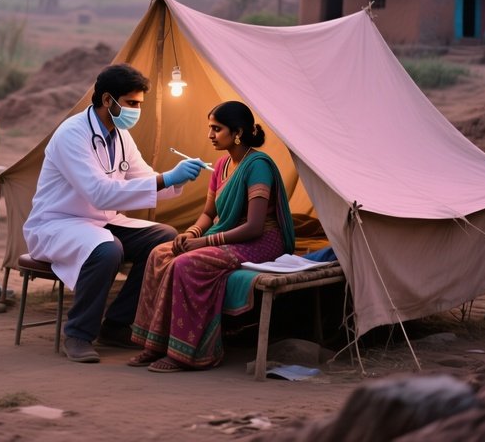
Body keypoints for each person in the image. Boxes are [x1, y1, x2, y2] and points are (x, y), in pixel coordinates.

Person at [22, 63, 206, 364]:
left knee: (164, 238)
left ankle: (117, 324)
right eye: (132, 103)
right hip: (58, 223)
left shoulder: (120, 136)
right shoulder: (72, 134)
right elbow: (99, 192)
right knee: (108, 249)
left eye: (140, 104)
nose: (137, 111)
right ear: (108, 100)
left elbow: (143, 177)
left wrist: (178, 179)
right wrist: (166, 178)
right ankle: (78, 334)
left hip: (99, 221)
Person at [128, 100, 295, 372]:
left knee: (186, 263)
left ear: (238, 132)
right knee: (160, 253)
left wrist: (203, 242)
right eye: (210, 128)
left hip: (260, 241)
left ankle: (185, 353)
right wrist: (191, 233)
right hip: (229, 235)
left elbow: (253, 226)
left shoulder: (258, 166)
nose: (210, 135)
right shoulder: (221, 165)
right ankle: (154, 344)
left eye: (216, 129)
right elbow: (209, 213)